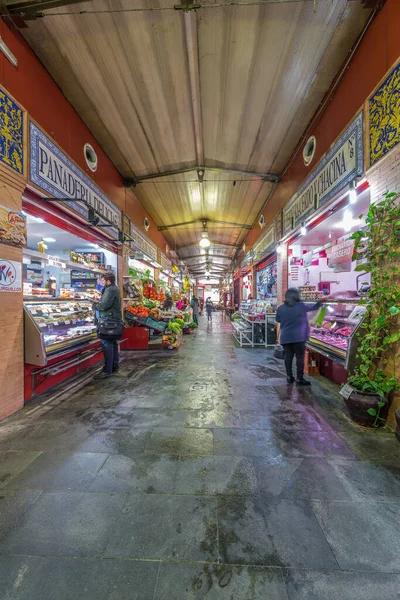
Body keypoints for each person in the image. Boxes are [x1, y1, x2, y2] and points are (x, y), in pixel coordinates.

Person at [275, 288, 324, 386]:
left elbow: (278, 320)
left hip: (286, 337)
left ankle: (289, 376)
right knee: (300, 358)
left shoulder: (281, 308)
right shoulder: (301, 306)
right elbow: (314, 307)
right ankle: (299, 378)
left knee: (288, 357)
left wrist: (278, 337)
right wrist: (323, 301)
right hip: (299, 337)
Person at [92, 271, 122, 379]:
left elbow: (104, 305)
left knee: (107, 343)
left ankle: (107, 370)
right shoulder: (114, 288)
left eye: (103, 280)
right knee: (113, 343)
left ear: (108, 281)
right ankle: (114, 366)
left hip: (108, 321)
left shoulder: (110, 290)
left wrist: (95, 305)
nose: (101, 282)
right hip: (112, 320)